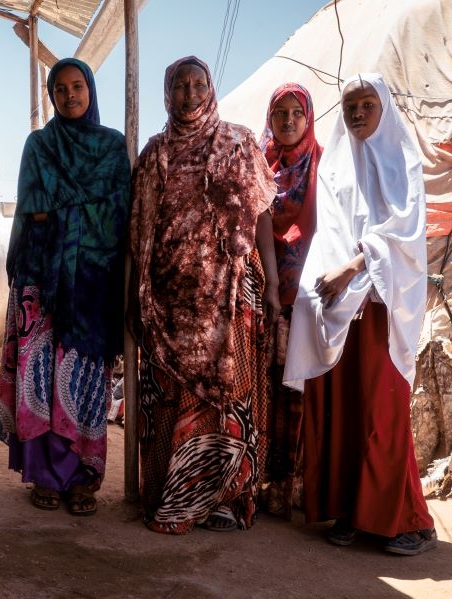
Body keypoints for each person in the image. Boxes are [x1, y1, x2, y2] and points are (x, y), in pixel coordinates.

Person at [283, 73, 437, 555]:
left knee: (381, 411)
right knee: (344, 408)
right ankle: (350, 509)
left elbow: (404, 237)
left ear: (383, 107)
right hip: (341, 309)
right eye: (350, 106)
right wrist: (324, 286)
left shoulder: (403, 162)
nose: (357, 113)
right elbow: (327, 233)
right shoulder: (336, 169)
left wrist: (352, 269)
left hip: (382, 307)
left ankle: (407, 521)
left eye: (367, 104)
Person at [129, 56, 279, 534]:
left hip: (231, 296)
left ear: (211, 89)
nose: (189, 93)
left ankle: (225, 501)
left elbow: (261, 217)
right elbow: (138, 233)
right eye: (180, 85)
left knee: (229, 397)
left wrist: (273, 284)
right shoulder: (154, 154)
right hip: (169, 302)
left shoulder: (239, 142)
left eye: (198, 84)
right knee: (171, 398)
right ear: (167, 93)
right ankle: (173, 498)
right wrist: (134, 298)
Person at [0, 58, 131, 517]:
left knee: (86, 380)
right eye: (61, 89)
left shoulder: (112, 147)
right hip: (42, 282)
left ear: (90, 89)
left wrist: (65, 212)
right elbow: (34, 209)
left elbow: (119, 214)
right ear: (52, 96)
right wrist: (84, 212)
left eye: (77, 86)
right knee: (43, 380)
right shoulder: (39, 144)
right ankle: (45, 477)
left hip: (93, 284)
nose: (70, 96)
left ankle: (83, 479)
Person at [257, 83, 322, 518]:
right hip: (267, 290)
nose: (287, 121)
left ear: (308, 116)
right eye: (279, 113)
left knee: (302, 387)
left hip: (310, 292)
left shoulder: (322, 164)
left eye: (296, 113)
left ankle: (300, 486)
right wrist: (266, 280)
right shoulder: (261, 165)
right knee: (268, 388)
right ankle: (267, 485)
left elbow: (328, 225)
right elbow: (259, 222)